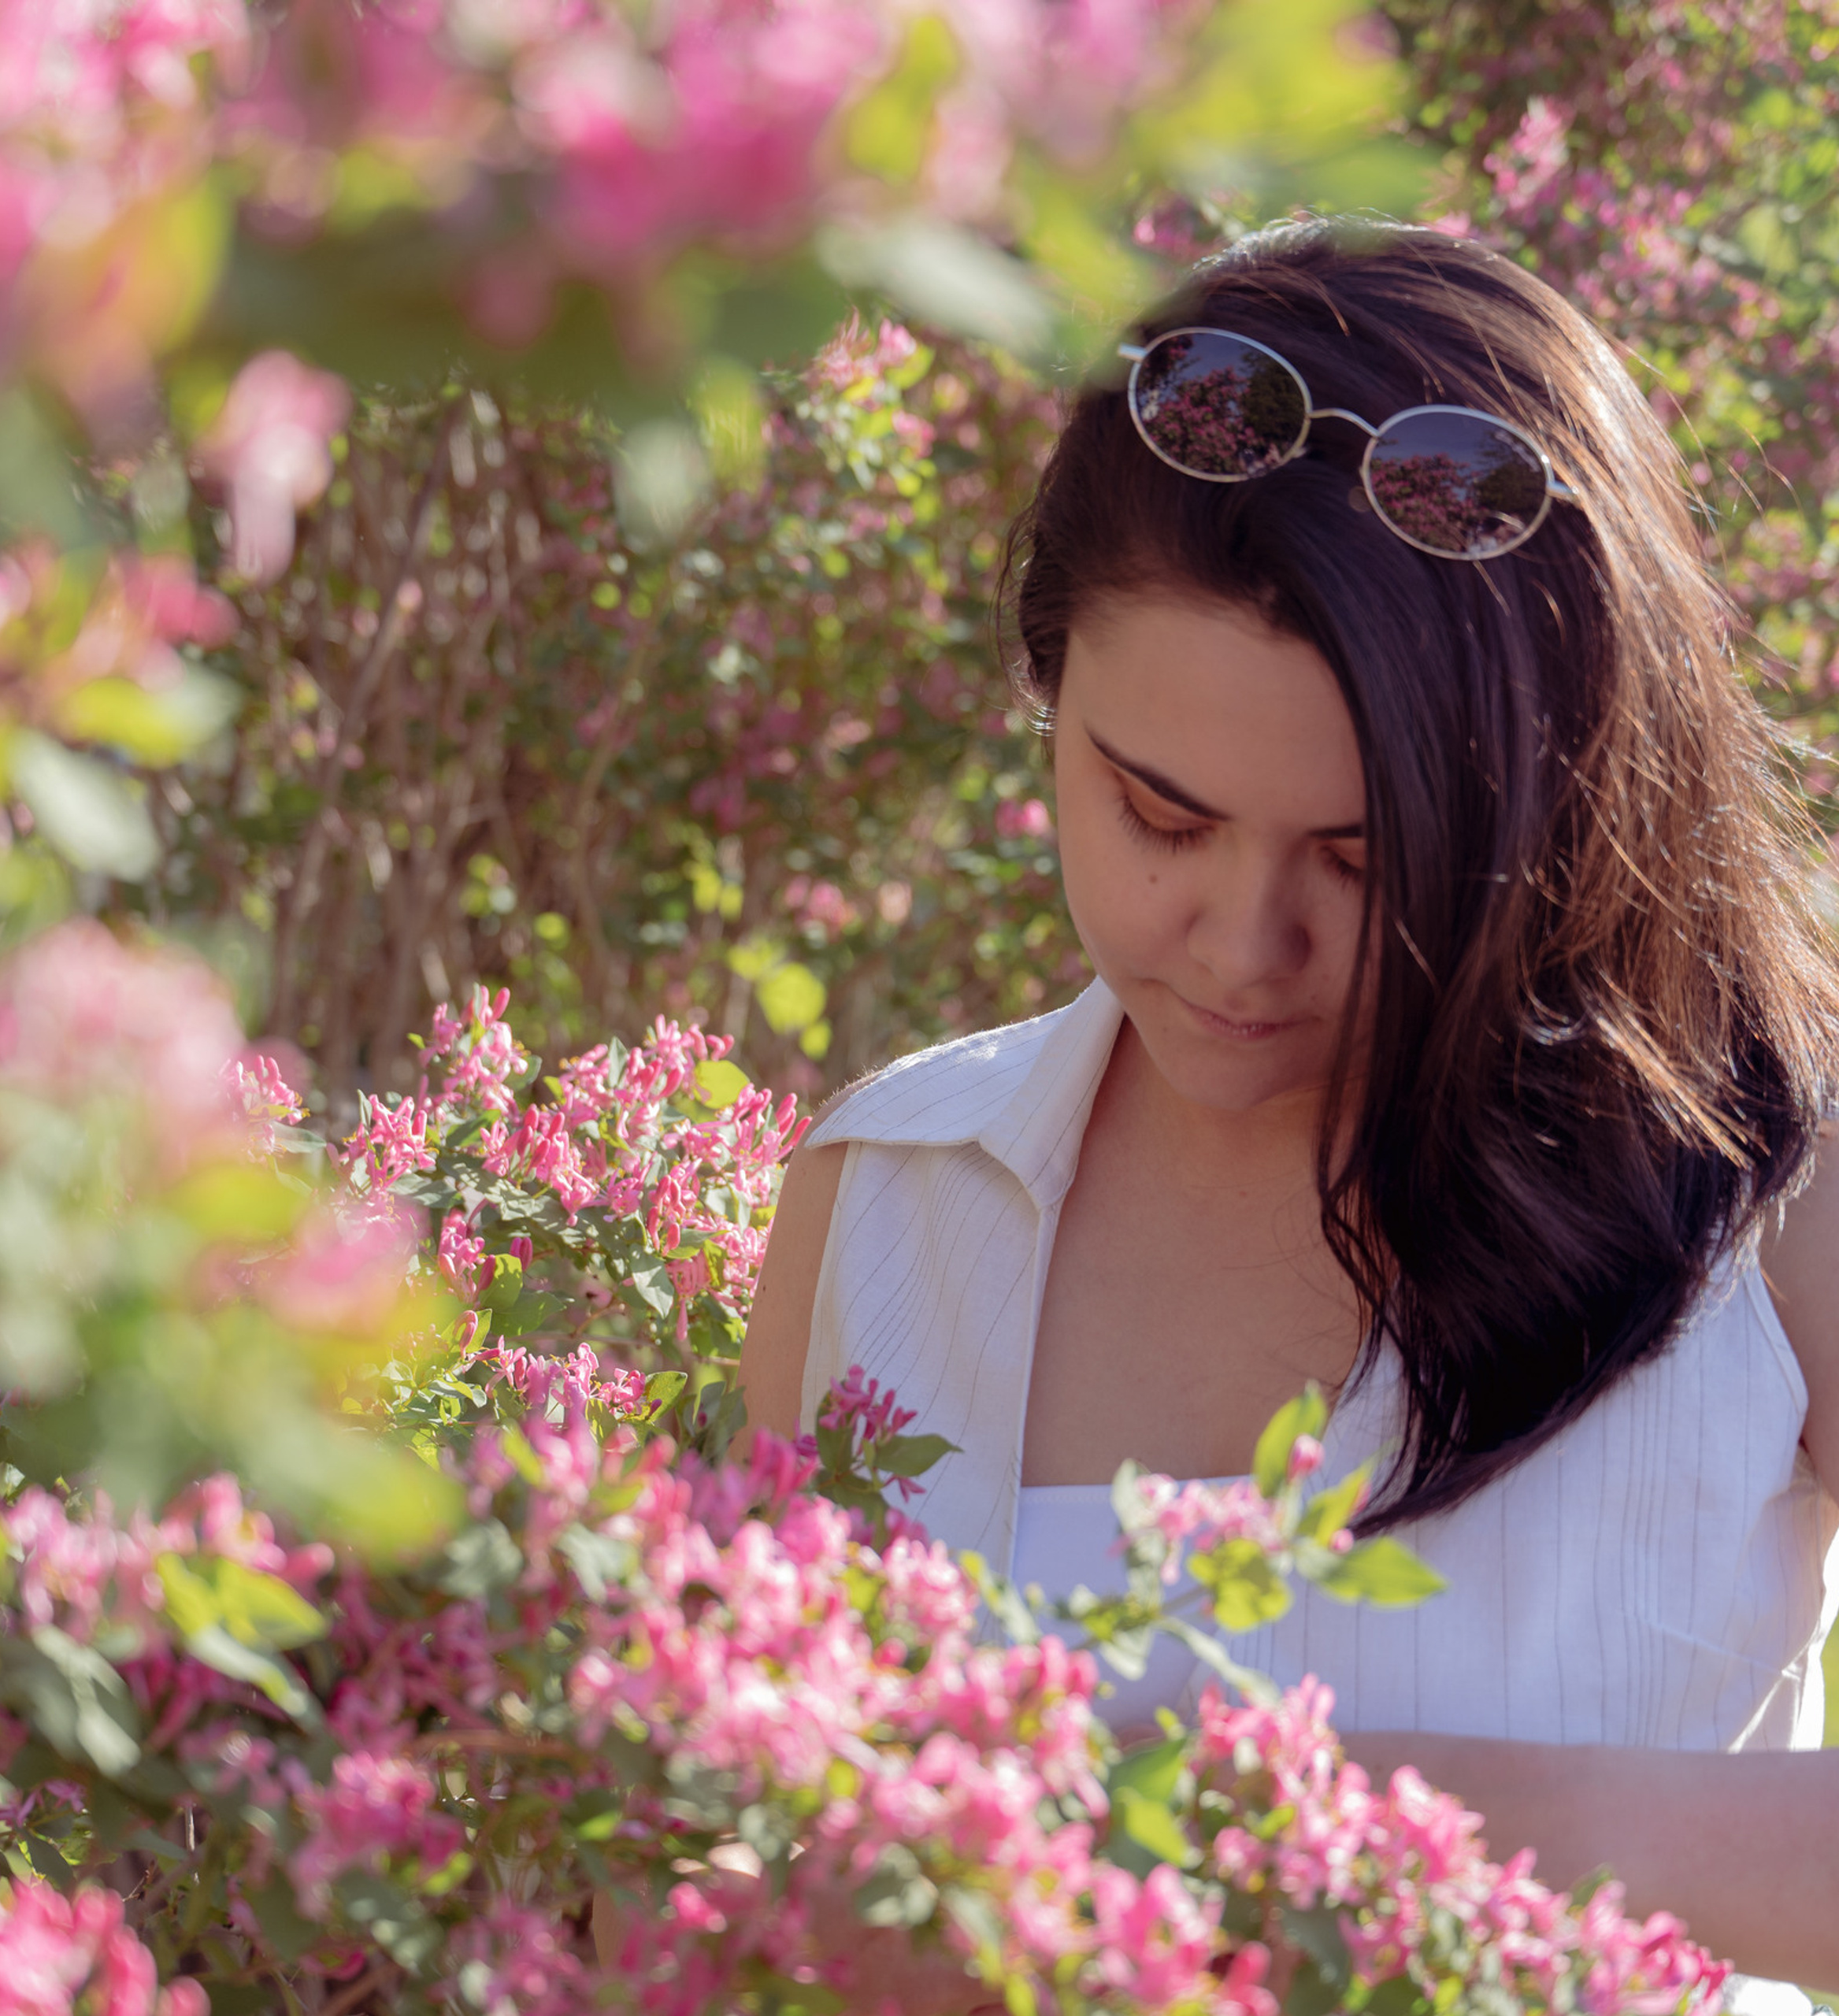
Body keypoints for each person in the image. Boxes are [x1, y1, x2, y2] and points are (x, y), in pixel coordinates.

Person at [740, 220, 1839, 2003]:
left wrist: (1358, 1822)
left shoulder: (1768, 1167)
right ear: (1046, 692)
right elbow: (753, 1843)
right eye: (1157, 817)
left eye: (1365, 853)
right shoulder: (892, 1197)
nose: (1244, 945)